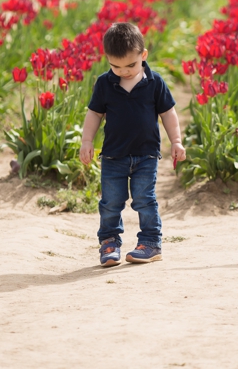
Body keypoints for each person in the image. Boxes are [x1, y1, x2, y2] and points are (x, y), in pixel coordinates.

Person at [78, 22, 186, 267]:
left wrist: (176, 141)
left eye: (130, 65)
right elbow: (94, 114)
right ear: (107, 60)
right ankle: (109, 242)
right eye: (115, 66)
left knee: (144, 199)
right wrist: (87, 141)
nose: (123, 71)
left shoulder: (155, 82)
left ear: (143, 56)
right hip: (113, 157)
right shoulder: (105, 83)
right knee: (110, 202)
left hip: (145, 155)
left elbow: (168, 113)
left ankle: (150, 243)